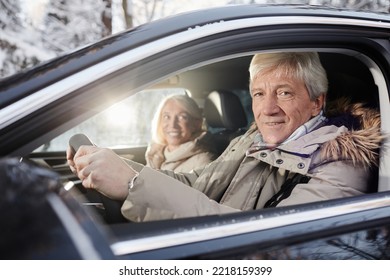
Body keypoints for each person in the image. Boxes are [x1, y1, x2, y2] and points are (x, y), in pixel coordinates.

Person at [67, 52, 383, 222]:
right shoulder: (251, 141)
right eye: (259, 93)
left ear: (317, 102)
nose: (268, 109)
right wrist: (117, 166)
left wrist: (132, 185)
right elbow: (196, 184)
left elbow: (267, 242)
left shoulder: (341, 163)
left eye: (284, 93)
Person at [145, 94, 216, 172]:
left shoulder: (203, 162)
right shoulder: (155, 154)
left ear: (197, 124)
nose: (172, 125)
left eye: (182, 117)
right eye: (166, 117)